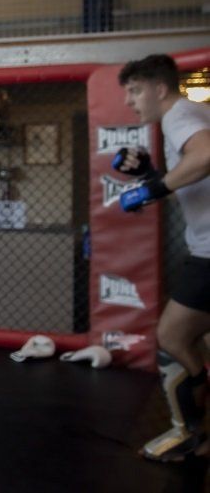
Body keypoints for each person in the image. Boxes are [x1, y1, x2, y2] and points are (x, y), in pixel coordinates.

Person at [114, 53, 210, 461]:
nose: (131, 101)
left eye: (135, 91)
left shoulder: (178, 115)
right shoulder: (187, 116)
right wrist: (150, 176)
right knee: (197, 338)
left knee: (173, 336)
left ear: (159, 88)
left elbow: (205, 157)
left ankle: (189, 434)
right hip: (203, 246)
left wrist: (153, 190)